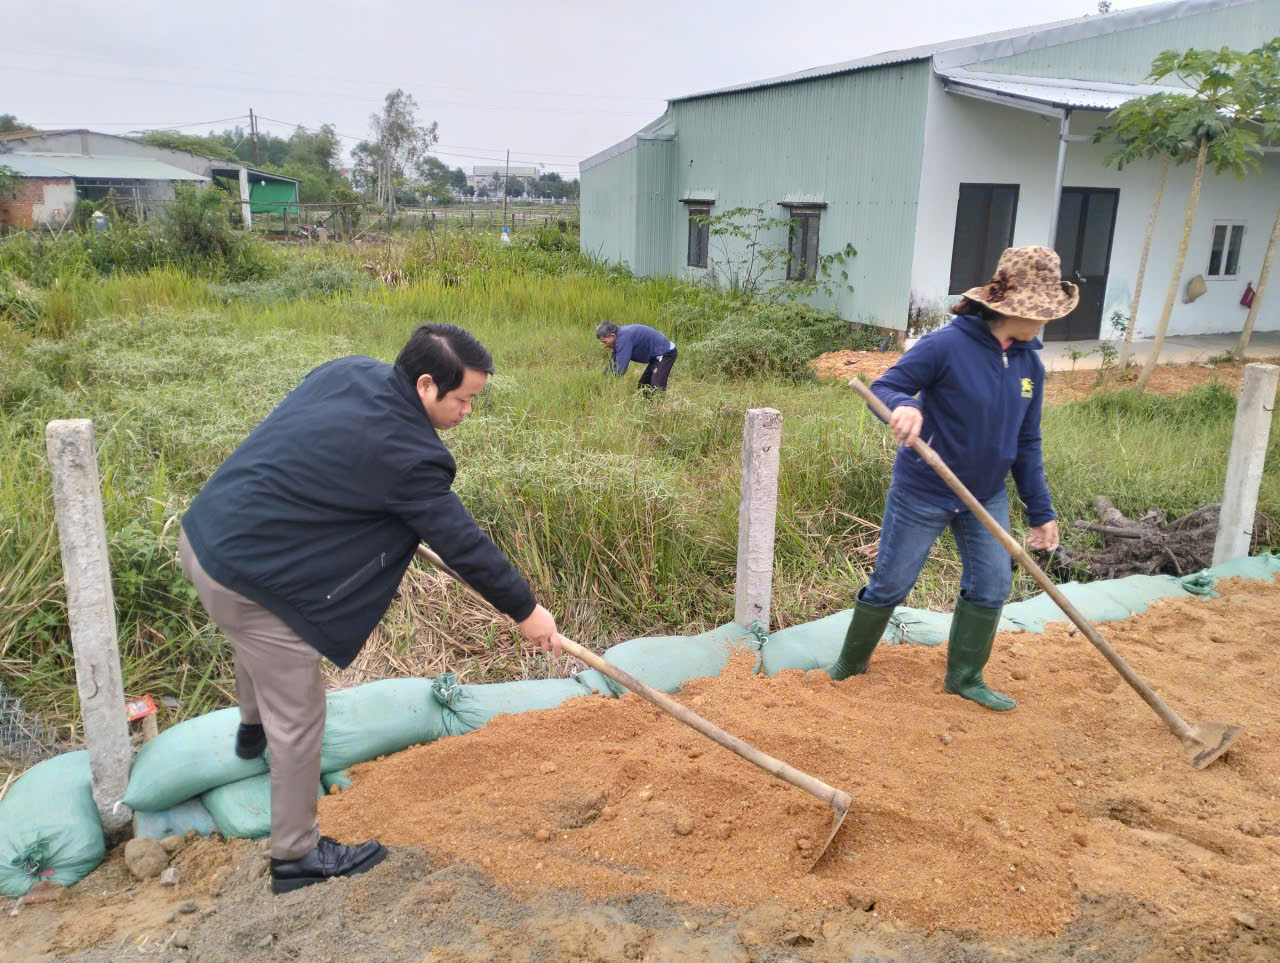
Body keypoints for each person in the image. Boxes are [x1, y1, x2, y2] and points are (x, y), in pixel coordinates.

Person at [178, 323, 560, 893]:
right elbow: (466, 547)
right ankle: (296, 857)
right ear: (427, 385)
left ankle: (252, 731)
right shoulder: (411, 456)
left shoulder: (348, 370)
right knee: (301, 715)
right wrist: (527, 611)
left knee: (249, 638)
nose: (468, 412)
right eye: (464, 399)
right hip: (249, 578)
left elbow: (321, 445)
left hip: (206, 537)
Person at [826, 246, 1076, 711]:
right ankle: (850, 665)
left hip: (985, 496)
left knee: (993, 584)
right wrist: (908, 406)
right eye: (1041, 312)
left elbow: (1027, 444)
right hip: (923, 490)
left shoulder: (1028, 366)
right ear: (1011, 307)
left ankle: (964, 676)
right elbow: (886, 387)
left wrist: (1041, 513)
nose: (1045, 322)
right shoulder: (946, 346)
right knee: (891, 584)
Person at [596, 321, 677, 391]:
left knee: (656, 388)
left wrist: (608, 384)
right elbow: (613, 361)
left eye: (605, 342)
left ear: (612, 335)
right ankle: (648, 407)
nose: (605, 345)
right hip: (655, 356)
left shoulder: (623, 339)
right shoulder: (619, 336)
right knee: (643, 386)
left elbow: (620, 368)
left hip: (666, 353)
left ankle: (659, 407)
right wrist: (603, 379)